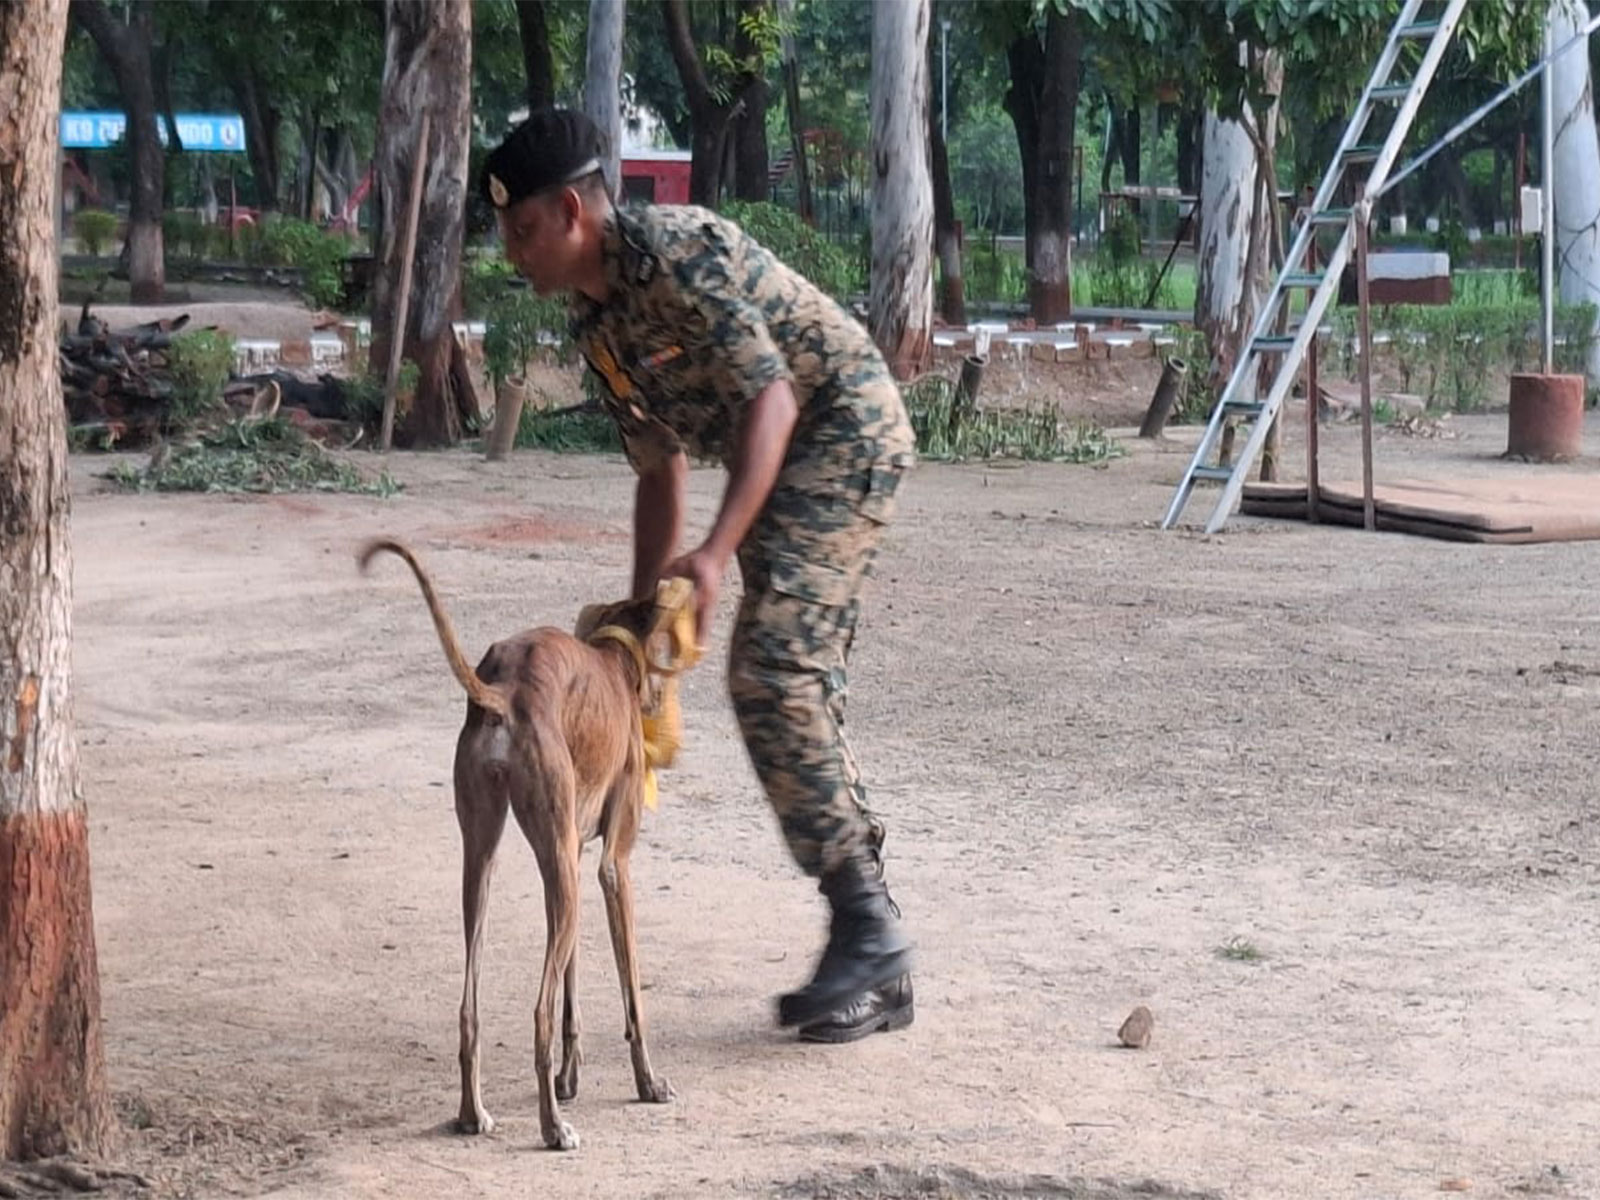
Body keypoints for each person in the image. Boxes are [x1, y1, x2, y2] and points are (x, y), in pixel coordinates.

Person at [480, 109, 915, 1043]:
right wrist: (633, 635)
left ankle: (871, 934)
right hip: (781, 459)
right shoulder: (598, 322)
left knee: (772, 672)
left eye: (521, 232)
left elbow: (774, 400)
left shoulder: (677, 255)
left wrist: (714, 555)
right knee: (791, 680)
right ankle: (875, 945)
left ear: (570, 212)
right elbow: (658, 464)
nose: (511, 253)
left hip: (840, 433)